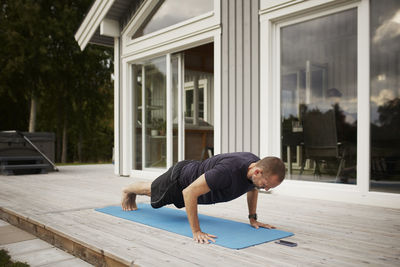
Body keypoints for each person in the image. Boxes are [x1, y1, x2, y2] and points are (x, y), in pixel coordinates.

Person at [121, 152, 286, 244]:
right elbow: (189, 193)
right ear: (257, 172)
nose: (265, 188)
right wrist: (197, 231)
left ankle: (134, 189)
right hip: (179, 181)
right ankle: (128, 190)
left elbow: (252, 189)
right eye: (265, 184)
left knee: (154, 191)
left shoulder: (254, 172)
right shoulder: (227, 172)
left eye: (269, 187)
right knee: (152, 192)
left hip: (194, 180)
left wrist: (253, 218)